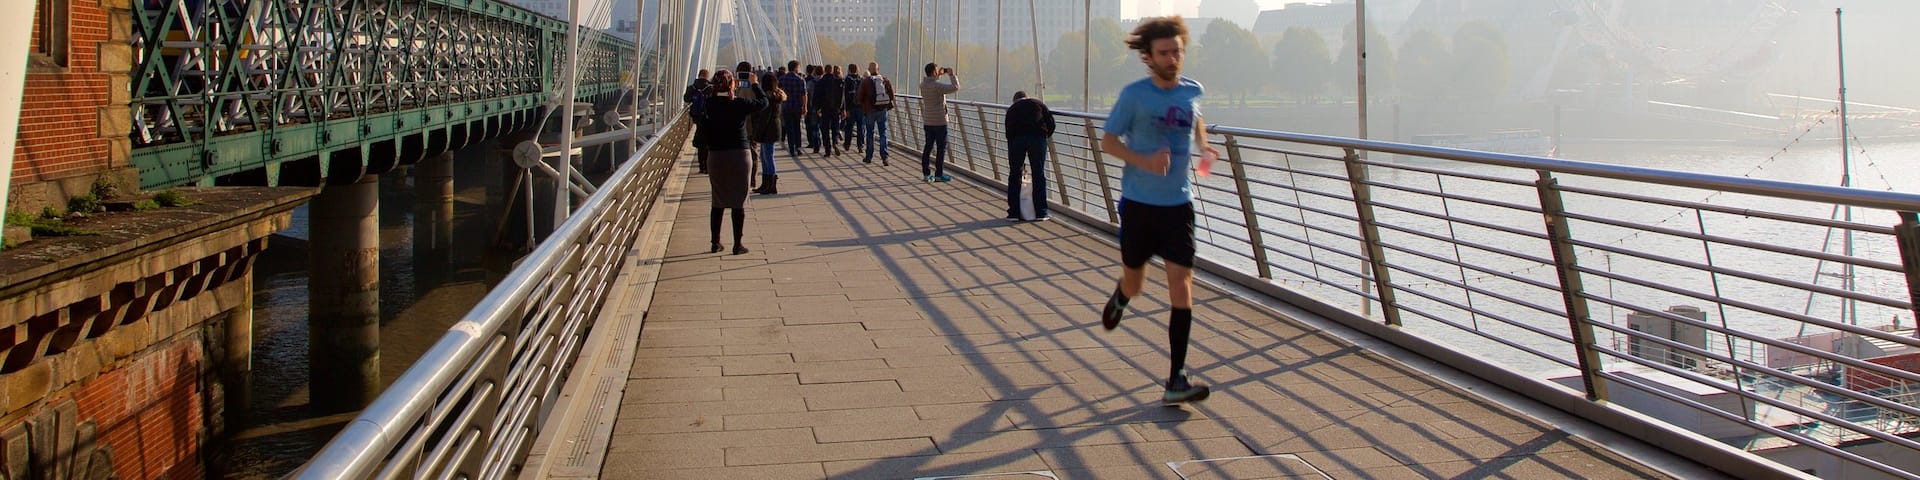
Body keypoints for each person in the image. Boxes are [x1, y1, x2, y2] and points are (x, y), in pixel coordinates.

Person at [1096, 16, 1222, 405]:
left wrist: (1204, 146)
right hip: (1139, 205)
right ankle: (1122, 296)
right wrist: (1145, 161)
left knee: (1181, 285)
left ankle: (1176, 379)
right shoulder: (1134, 96)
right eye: (1164, 53)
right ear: (1149, 57)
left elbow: (1195, 117)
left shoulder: (1192, 90)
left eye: (1177, 52)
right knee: (1135, 282)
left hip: (1178, 206)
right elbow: (1108, 142)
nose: (1172, 59)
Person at [698, 70, 770, 255]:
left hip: (716, 155)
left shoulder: (709, 103)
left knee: (718, 199)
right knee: (738, 200)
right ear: (732, 84)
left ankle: (715, 242)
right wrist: (755, 84)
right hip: (739, 154)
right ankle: (737, 244)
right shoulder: (739, 103)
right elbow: (763, 103)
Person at [1003, 91, 1055, 222]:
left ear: (1015, 100)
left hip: (1017, 139)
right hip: (1037, 138)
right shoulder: (1038, 104)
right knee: (1038, 174)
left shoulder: (1012, 109)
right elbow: (1051, 123)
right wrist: (1044, 136)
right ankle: (1041, 212)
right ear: (1027, 97)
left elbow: (1008, 130)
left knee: (1015, 174)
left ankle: (1013, 213)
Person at [917, 63, 960, 182]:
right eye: (936, 71)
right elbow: (955, 87)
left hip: (928, 121)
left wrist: (937, 76)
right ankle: (938, 174)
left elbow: (932, 83)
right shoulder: (937, 86)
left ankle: (926, 174)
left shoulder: (923, 85)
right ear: (933, 72)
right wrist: (952, 75)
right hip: (940, 121)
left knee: (928, 147)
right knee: (941, 148)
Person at [750, 72, 786, 195]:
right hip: (773, 128)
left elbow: (764, 118)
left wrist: (757, 134)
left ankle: (770, 184)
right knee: (765, 156)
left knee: (768, 157)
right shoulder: (776, 95)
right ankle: (766, 183)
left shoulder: (769, 97)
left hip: (768, 129)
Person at [858, 62, 895, 165]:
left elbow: (860, 97)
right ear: (878, 69)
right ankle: (884, 157)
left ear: (869, 70)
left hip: (870, 110)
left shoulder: (866, 81)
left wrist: (863, 105)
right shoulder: (885, 80)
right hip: (882, 110)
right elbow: (892, 95)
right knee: (883, 133)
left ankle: (869, 156)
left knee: (870, 133)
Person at [778, 61, 808, 158]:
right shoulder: (800, 79)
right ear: (796, 68)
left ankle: (791, 149)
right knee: (797, 127)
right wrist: (805, 107)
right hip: (797, 106)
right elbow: (804, 95)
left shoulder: (782, 79)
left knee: (789, 128)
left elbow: (778, 92)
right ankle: (798, 147)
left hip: (786, 106)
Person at [683, 69, 712, 173]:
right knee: (708, 141)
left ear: (699, 75)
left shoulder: (692, 87)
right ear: (707, 76)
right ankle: (707, 165)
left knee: (701, 142)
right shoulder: (710, 88)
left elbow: (686, 99)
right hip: (708, 117)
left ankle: (701, 165)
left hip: (697, 117)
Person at [814, 65, 845, 158]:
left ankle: (827, 149)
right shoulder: (838, 81)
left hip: (824, 108)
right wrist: (842, 109)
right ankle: (835, 141)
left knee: (825, 129)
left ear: (824, 71)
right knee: (835, 126)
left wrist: (817, 108)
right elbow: (842, 97)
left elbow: (816, 96)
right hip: (835, 108)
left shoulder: (820, 82)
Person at [842, 63, 864, 153]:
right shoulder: (861, 79)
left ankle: (847, 144)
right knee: (860, 127)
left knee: (849, 126)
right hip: (860, 107)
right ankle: (860, 145)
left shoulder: (847, 80)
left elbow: (844, 96)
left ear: (849, 70)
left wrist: (845, 109)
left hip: (850, 107)